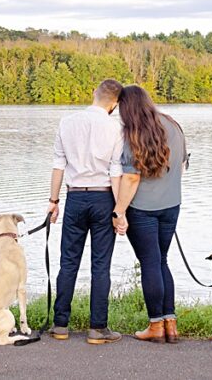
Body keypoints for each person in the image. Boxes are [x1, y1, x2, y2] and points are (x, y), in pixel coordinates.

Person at [46, 78, 125, 344]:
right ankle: (97, 328)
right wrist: (119, 211)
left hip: (75, 199)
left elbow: (58, 164)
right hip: (104, 198)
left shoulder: (67, 122)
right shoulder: (116, 129)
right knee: (100, 266)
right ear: (114, 104)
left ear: (95, 94)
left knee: (68, 262)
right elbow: (116, 171)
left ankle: (60, 325)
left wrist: (53, 201)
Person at [111, 85, 189, 343]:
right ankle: (170, 324)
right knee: (162, 261)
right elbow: (183, 165)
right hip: (171, 206)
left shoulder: (134, 133)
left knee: (151, 263)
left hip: (142, 209)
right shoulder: (173, 125)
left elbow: (131, 179)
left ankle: (156, 326)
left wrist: (118, 212)